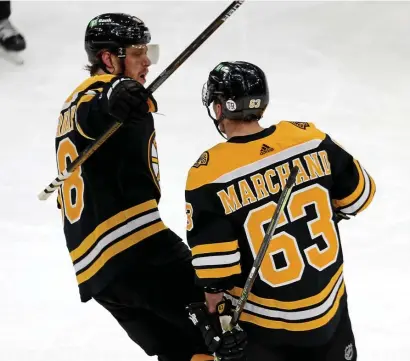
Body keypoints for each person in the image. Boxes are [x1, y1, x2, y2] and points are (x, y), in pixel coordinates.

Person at [186, 61, 376, 361]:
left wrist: (216, 322)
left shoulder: (209, 173)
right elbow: (359, 197)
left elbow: (216, 274)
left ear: (220, 108)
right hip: (332, 319)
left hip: (267, 332)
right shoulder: (309, 138)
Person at [55, 12, 215, 361]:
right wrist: (116, 94)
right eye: (137, 52)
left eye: (148, 51)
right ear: (108, 59)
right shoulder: (94, 94)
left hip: (99, 273)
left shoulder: (71, 105)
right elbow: (95, 110)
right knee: (223, 327)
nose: (147, 62)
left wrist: (119, 95)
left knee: (183, 348)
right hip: (138, 251)